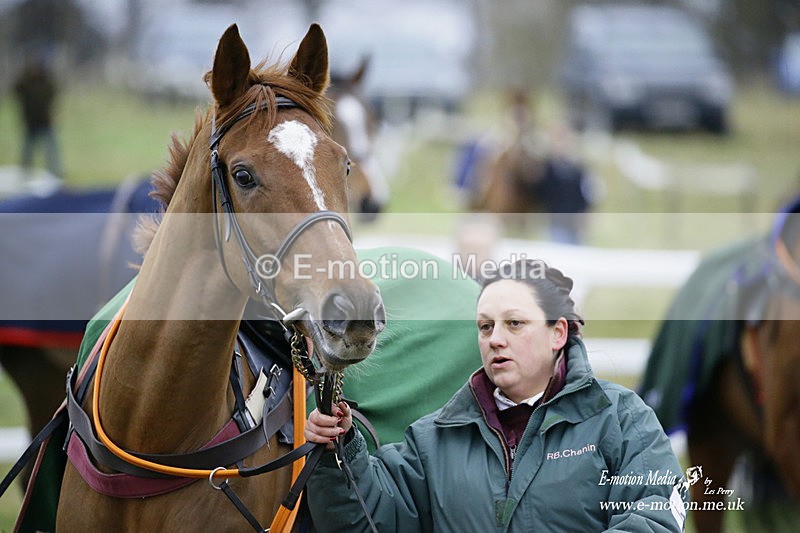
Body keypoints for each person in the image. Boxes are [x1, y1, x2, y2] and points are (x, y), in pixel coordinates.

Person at [305, 259, 689, 532]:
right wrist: (341, 451)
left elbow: (654, 514)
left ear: (558, 333)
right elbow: (367, 521)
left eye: (514, 324)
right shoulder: (432, 439)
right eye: (485, 327)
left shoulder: (622, 419)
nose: (495, 339)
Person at [13, 55, 63, 179]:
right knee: (27, 151)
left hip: (45, 121)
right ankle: (25, 173)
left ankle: (55, 173)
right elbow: (15, 90)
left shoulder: (47, 82)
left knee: (51, 149)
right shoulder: (26, 82)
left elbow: (53, 96)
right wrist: (25, 75)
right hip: (31, 122)